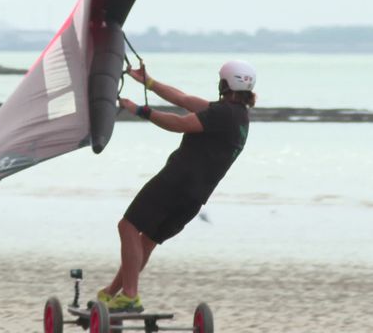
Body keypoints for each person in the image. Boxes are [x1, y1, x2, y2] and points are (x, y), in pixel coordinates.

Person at [96, 60, 257, 312]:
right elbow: (183, 99)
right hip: (194, 199)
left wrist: (140, 111)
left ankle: (129, 295)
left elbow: (180, 123)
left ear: (224, 83)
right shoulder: (238, 117)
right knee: (145, 241)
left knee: (127, 226)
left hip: (175, 183)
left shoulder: (221, 114)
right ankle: (111, 294)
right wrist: (148, 81)